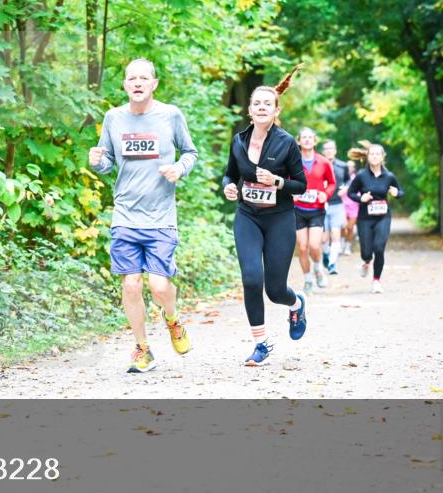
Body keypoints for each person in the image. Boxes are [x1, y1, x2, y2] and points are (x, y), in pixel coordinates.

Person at [89, 58, 198, 373]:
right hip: (126, 215)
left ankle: (172, 318)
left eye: (143, 78)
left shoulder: (170, 115)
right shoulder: (113, 117)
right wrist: (97, 161)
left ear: (154, 84)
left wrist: (179, 168)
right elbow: (107, 161)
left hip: (161, 216)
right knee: (131, 285)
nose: (137, 83)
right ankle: (142, 348)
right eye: (131, 78)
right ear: (125, 84)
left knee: (159, 287)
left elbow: (190, 153)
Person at [222, 66, 308, 366]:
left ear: (275, 110)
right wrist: (228, 187)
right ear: (250, 110)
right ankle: (261, 343)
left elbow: (301, 185)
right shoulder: (238, 141)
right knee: (250, 278)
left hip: (279, 219)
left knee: (274, 290)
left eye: (267, 104)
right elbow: (230, 175)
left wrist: (277, 181)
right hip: (247, 216)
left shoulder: (286, 143)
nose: (261, 107)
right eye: (256, 103)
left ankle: (296, 304)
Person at [346, 143, 403, 294]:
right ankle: (366, 261)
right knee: (366, 252)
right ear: (368, 156)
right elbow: (351, 193)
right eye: (372, 154)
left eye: (378, 154)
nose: (375, 156)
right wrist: (361, 198)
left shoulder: (389, 176)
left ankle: (376, 281)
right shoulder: (361, 176)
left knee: (379, 248)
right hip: (365, 218)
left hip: (383, 217)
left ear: (383, 157)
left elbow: (400, 192)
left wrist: (396, 193)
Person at [292, 128, 335, 293]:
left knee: (314, 245)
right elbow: (286, 181)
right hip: (298, 209)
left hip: (316, 209)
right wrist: (291, 193)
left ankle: (318, 268)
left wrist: (326, 194)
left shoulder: (323, 162)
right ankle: (308, 280)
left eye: (310, 137)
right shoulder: (293, 161)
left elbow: (331, 183)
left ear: (315, 141)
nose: (307, 140)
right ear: (299, 141)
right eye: (304, 137)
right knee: (302, 247)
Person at [319, 140, 349, 274]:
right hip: (321, 205)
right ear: (323, 151)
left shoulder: (343, 166)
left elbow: (348, 180)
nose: (329, 151)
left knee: (336, 234)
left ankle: (332, 264)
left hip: (337, 204)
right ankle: (326, 254)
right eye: (326, 149)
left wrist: (346, 187)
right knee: (323, 238)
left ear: (335, 150)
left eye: (331, 148)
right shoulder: (318, 164)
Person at [340, 159, 360, 255]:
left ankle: (348, 247)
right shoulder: (341, 177)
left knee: (350, 227)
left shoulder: (357, 178)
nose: (349, 168)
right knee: (342, 227)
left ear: (354, 168)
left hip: (354, 205)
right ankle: (342, 244)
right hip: (341, 205)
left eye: (351, 166)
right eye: (347, 166)